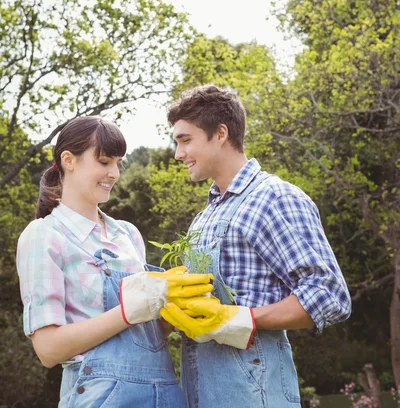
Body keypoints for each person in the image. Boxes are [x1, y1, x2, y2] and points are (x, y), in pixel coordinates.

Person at [160, 84, 352, 408]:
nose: (178, 154)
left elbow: (329, 295)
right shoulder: (203, 219)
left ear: (220, 134)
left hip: (254, 395)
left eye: (185, 140)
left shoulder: (274, 198)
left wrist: (239, 318)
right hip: (200, 391)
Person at [16, 116, 213, 408]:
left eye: (118, 163)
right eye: (105, 161)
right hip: (100, 397)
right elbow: (48, 349)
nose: (115, 173)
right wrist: (127, 312)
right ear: (69, 160)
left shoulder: (128, 234)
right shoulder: (45, 235)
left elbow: (143, 335)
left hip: (164, 393)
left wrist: (177, 311)